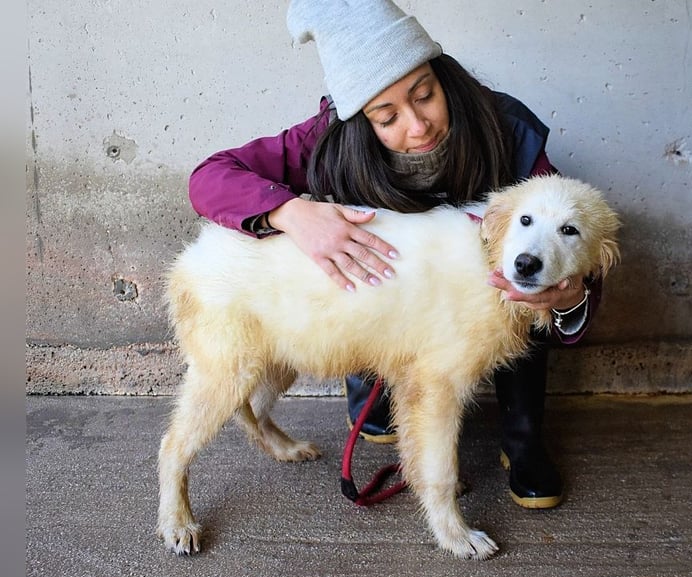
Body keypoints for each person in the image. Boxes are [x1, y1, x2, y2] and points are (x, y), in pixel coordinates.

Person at [188, 0, 606, 509]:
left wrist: (567, 298)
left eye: (425, 95)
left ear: (442, 76)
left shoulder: (508, 130)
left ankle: (522, 440)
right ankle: (376, 394)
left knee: (526, 278)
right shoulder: (329, 138)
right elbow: (210, 177)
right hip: (387, 306)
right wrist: (290, 212)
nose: (418, 126)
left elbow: (573, 240)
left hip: (477, 305)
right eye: (387, 117)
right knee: (379, 406)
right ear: (361, 119)